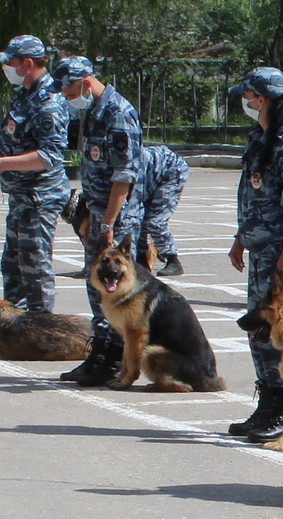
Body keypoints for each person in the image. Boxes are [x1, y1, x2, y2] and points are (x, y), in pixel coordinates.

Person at [227, 67, 283, 442]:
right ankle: (268, 402)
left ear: (262, 99)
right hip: (260, 250)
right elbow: (254, 196)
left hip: (279, 255)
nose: (244, 101)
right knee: (259, 331)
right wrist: (240, 238)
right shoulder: (260, 138)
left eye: (248, 95)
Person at [53, 56, 144, 386]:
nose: (66, 97)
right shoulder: (95, 111)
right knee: (98, 290)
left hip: (115, 220)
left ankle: (113, 357)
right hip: (99, 213)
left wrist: (107, 224)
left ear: (85, 83)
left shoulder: (118, 113)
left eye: (69, 91)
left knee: (117, 290)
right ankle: (102, 353)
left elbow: (124, 177)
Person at [0, 35, 72, 312]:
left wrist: (3, 163)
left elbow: (49, 156)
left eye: (11, 63)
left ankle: (41, 326)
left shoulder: (48, 101)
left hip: (40, 195)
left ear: (28, 64)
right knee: (13, 262)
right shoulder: (25, 95)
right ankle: (13, 325)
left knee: (35, 264)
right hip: (22, 194)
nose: (7, 68)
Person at [138, 145, 190, 276]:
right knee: (138, 220)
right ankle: (141, 260)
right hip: (153, 176)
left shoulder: (128, 169)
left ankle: (173, 260)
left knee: (155, 221)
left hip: (171, 171)